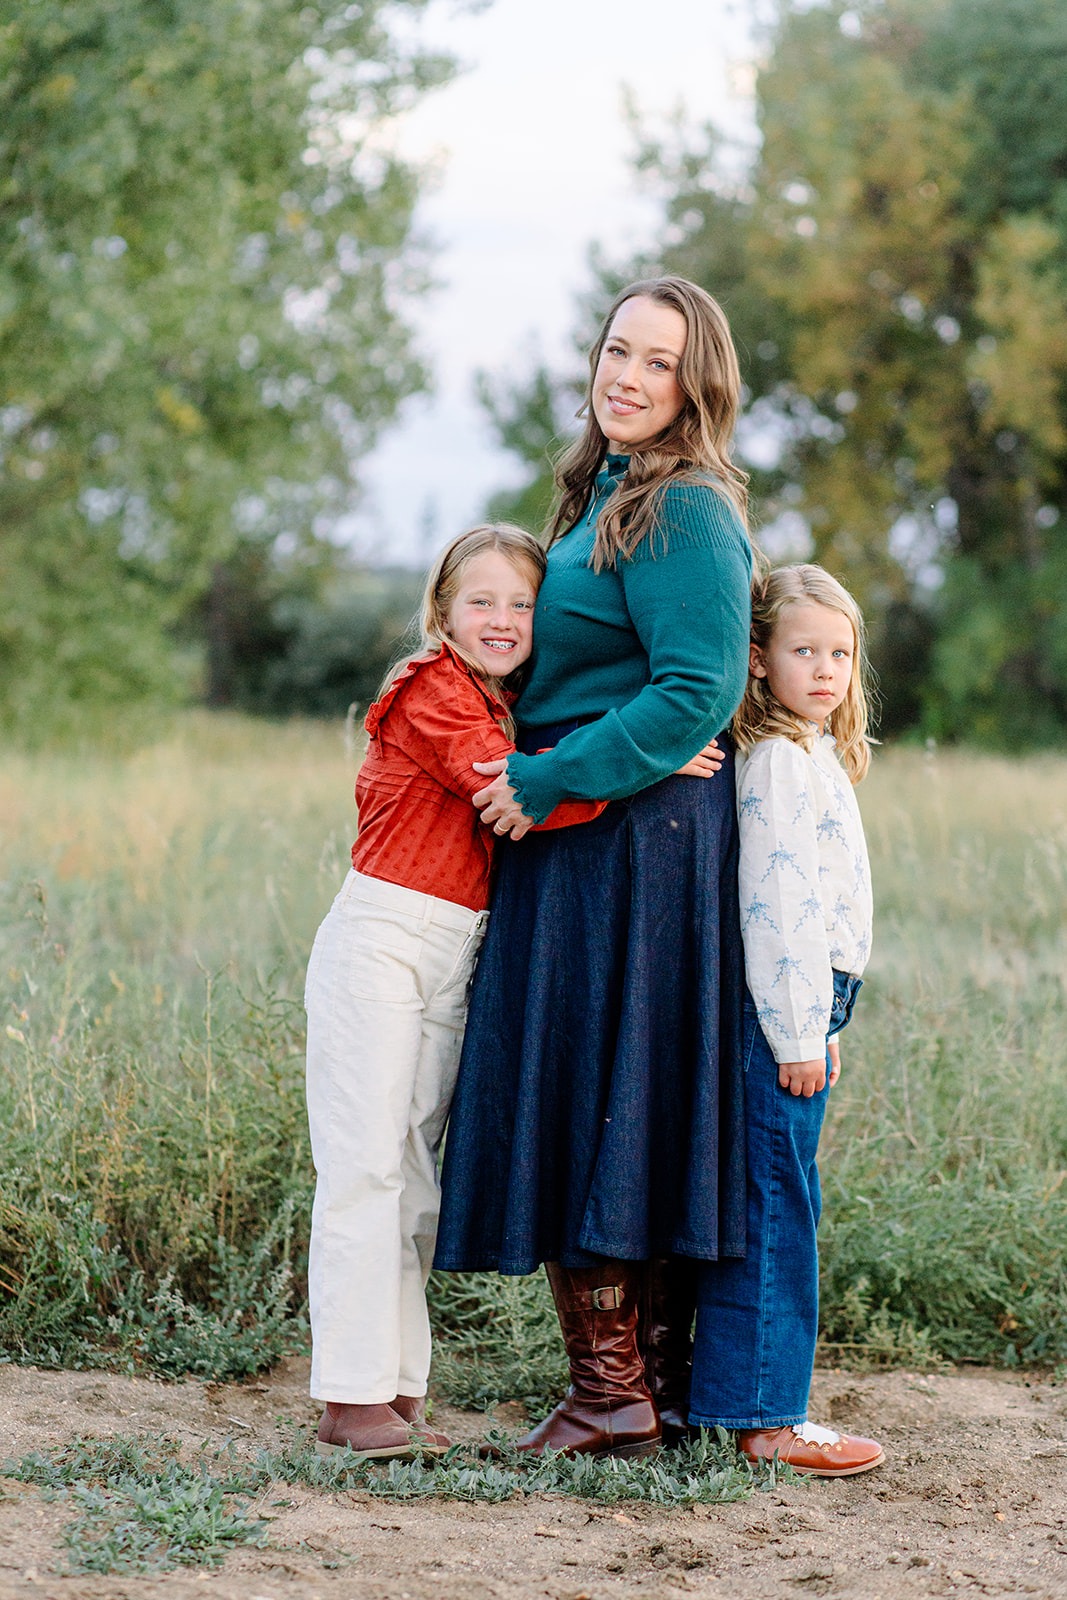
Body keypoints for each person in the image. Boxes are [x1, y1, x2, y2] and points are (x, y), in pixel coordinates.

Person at [434, 276, 757, 1459]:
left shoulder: (683, 509)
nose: (625, 376)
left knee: (606, 1097)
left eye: (656, 362)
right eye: (616, 349)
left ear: (695, 386)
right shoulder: (601, 496)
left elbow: (693, 689)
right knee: (593, 1091)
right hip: (592, 835)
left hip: (629, 849)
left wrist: (540, 778)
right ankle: (629, 1391)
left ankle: (618, 1395)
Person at [304, 523, 611, 1461]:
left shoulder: (506, 705)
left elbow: (532, 771)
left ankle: (395, 1388)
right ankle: (347, 1398)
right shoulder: (431, 689)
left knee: (415, 1173)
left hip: (453, 947)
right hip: (383, 938)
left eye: (522, 603)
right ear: (441, 612)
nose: (503, 619)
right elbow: (508, 791)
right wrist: (644, 763)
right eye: (481, 600)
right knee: (364, 1165)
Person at [687, 562, 885, 1476]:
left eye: (838, 652)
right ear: (758, 659)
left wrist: (827, 1027)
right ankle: (765, 1416)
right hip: (784, 1014)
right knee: (776, 1208)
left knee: (774, 1196)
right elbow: (777, 909)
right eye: (802, 650)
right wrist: (802, 1035)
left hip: (810, 1007)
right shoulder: (773, 762)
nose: (824, 669)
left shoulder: (807, 752)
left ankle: (739, 1400)